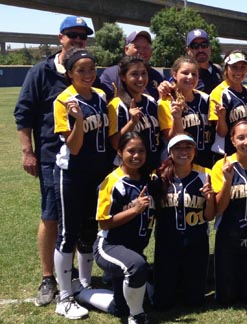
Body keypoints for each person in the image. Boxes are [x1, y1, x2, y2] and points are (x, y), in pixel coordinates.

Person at [13, 15, 93, 307]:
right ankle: (48, 277)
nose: (77, 39)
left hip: (85, 159)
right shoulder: (41, 72)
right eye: (72, 34)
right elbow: (23, 114)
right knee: (51, 216)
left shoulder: (86, 70)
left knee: (81, 219)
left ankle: (75, 276)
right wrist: (27, 151)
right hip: (51, 157)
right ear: (61, 38)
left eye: (82, 36)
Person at [53, 47, 114, 319]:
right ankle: (64, 296)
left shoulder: (101, 95)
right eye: (81, 70)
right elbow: (74, 147)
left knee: (90, 230)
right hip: (73, 173)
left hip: (96, 172)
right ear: (70, 74)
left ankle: (85, 284)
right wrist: (77, 120)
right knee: (68, 233)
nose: (88, 74)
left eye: (92, 69)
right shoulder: (64, 100)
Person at [93, 132, 155, 324]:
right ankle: (137, 316)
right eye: (131, 151)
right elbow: (104, 222)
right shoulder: (112, 182)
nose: (136, 156)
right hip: (109, 246)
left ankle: (85, 293)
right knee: (137, 267)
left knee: (118, 307)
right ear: (120, 152)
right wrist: (134, 210)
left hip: (133, 249)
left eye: (141, 151)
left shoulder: (149, 179)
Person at [152, 133, 216, 310]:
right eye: (178, 148)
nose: (183, 152)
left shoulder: (205, 174)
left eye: (188, 147)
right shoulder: (158, 177)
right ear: (170, 152)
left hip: (196, 242)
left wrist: (210, 198)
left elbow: (210, 216)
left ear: (194, 151)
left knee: (194, 302)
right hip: (167, 242)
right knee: (162, 303)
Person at [211, 121, 247, 304]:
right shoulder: (222, 165)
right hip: (229, 234)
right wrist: (228, 181)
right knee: (226, 298)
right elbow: (219, 208)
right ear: (233, 141)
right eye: (241, 137)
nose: (246, 142)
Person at [108, 55, 171, 170]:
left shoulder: (151, 101)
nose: (141, 79)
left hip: (154, 166)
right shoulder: (117, 105)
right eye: (134, 74)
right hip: (130, 169)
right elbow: (115, 144)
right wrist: (132, 123)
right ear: (123, 77)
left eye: (143, 73)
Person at [159, 56, 214, 168]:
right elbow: (172, 138)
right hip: (179, 162)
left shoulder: (206, 99)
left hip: (206, 158)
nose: (190, 77)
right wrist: (177, 118)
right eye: (185, 73)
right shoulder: (164, 103)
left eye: (194, 74)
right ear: (174, 75)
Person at [209, 50, 247, 157]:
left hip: (246, 150)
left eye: (243, 67)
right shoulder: (219, 93)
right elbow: (221, 133)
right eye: (234, 67)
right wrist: (221, 118)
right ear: (226, 69)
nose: (239, 72)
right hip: (226, 153)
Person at [100, 31, 164, 100]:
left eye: (145, 47)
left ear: (151, 51)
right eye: (137, 47)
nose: (142, 51)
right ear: (126, 50)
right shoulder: (110, 75)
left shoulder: (158, 77)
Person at [185, 28, 223, 94]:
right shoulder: (185, 75)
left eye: (204, 45)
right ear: (188, 50)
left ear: (210, 47)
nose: (200, 50)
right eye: (195, 46)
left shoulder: (218, 70)